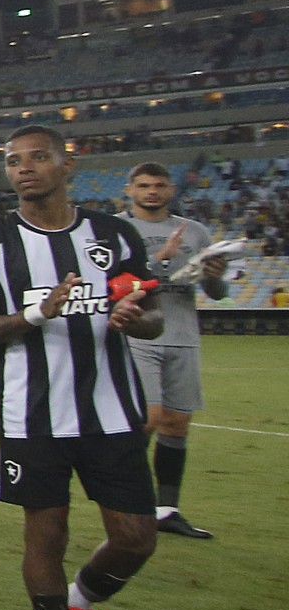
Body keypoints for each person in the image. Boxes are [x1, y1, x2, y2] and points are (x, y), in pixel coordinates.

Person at [0, 125, 163, 610]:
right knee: (46, 535)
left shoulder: (113, 235)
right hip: (33, 417)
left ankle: (79, 599)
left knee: (136, 538)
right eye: (14, 161)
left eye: (38, 158)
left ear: (66, 164)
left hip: (113, 413)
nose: (24, 169)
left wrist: (133, 318)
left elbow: (152, 320)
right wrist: (36, 312)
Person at [118, 161, 230, 539]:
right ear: (129, 190)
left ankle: (166, 510)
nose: (153, 191)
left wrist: (214, 275)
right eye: (144, 185)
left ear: (171, 190)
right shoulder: (119, 230)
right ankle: (131, 503)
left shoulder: (196, 232)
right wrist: (160, 260)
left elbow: (218, 293)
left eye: (160, 185)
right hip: (139, 334)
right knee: (147, 418)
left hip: (184, 334)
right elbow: (114, 285)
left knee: (177, 424)